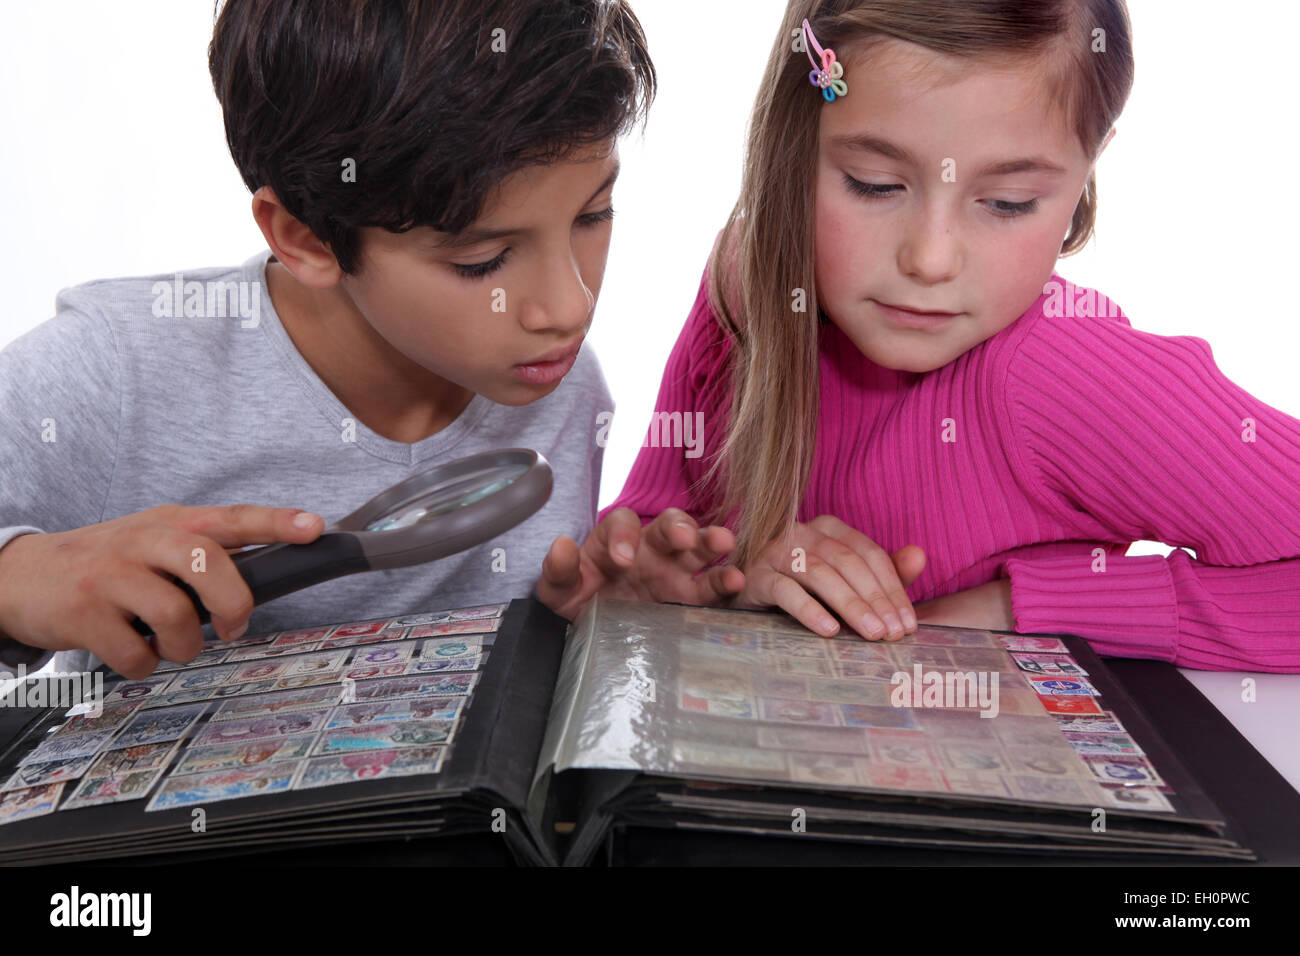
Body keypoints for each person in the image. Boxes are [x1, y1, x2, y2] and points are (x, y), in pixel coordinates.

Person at [0, 0, 737, 680]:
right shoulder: (113, 373)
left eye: (593, 215)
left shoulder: (555, 380)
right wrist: (19, 580)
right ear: (306, 238)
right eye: (481, 261)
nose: (567, 307)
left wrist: (600, 618)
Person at [602, 0, 1300, 672]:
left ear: (1089, 169)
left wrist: (1016, 608)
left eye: (1007, 203)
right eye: (875, 184)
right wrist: (702, 585)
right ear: (793, 140)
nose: (930, 260)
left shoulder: (1065, 373)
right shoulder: (743, 289)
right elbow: (650, 536)